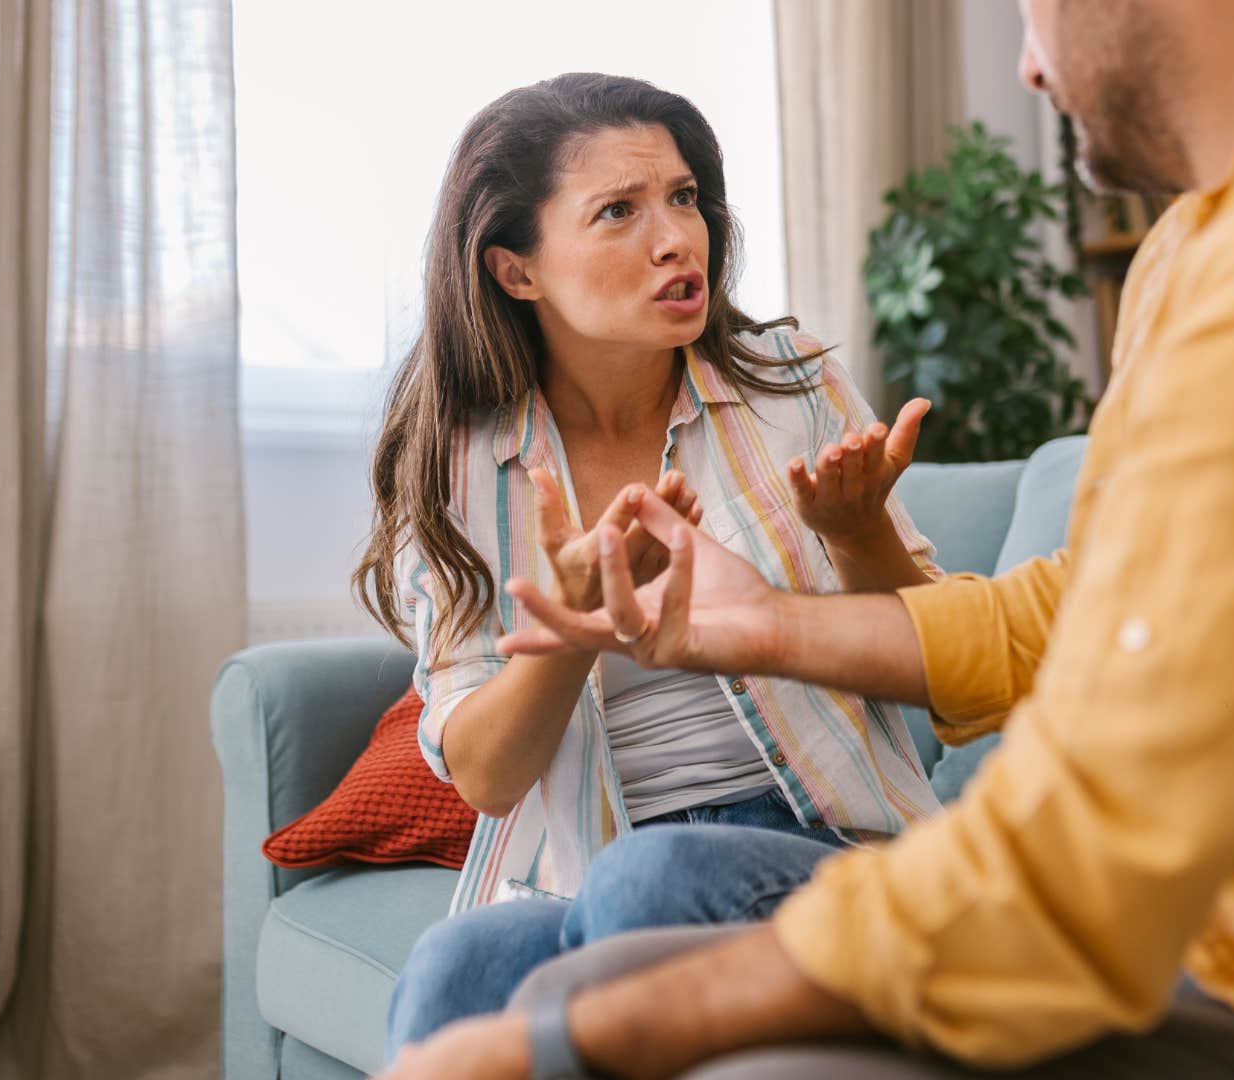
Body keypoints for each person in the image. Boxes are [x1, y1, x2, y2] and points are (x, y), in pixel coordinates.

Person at [379, 1, 1234, 1078]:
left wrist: (571, 1040)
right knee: (487, 964)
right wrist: (756, 624)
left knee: (577, 995)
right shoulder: (1215, 243)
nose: (1027, 65)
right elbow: (1071, 614)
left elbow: (1085, 865)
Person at [349, 73, 945, 1056]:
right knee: (456, 966)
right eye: (618, 211)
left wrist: (861, 533)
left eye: (682, 197)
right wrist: (568, 635)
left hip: (823, 838)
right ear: (515, 270)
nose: (676, 238)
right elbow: (488, 777)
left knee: (651, 882)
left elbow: (934, 663)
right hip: (587, 869)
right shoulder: (463, 462)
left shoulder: (790, 385)